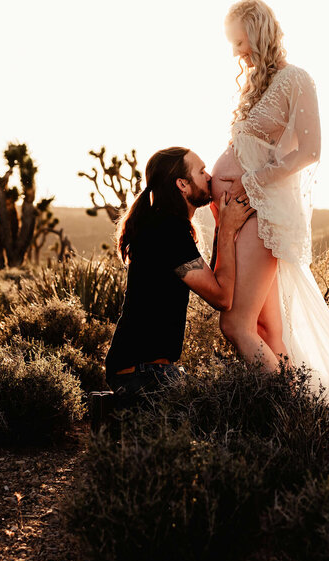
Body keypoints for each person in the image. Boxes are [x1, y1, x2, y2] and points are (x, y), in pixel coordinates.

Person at [202, 0, 329, 432]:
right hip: (239, 216)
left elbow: (309, 152)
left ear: (258, 32)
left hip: (261, 214)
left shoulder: (297, 79)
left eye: (240, 41)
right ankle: (290, 427)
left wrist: (247, 185)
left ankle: (296, 417)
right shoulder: (255, 86)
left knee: (236, 324)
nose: (237, 52)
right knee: (267, 332)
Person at [104, 146, 253, 398]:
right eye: (201, 171)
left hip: (139, 368)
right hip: (140, 372)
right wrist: (227, 230)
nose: (209, 177)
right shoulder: (168, 231)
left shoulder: (164, 224)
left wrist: (221, 228)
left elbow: (214, 280)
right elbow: (222, 297)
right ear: (182, 184)